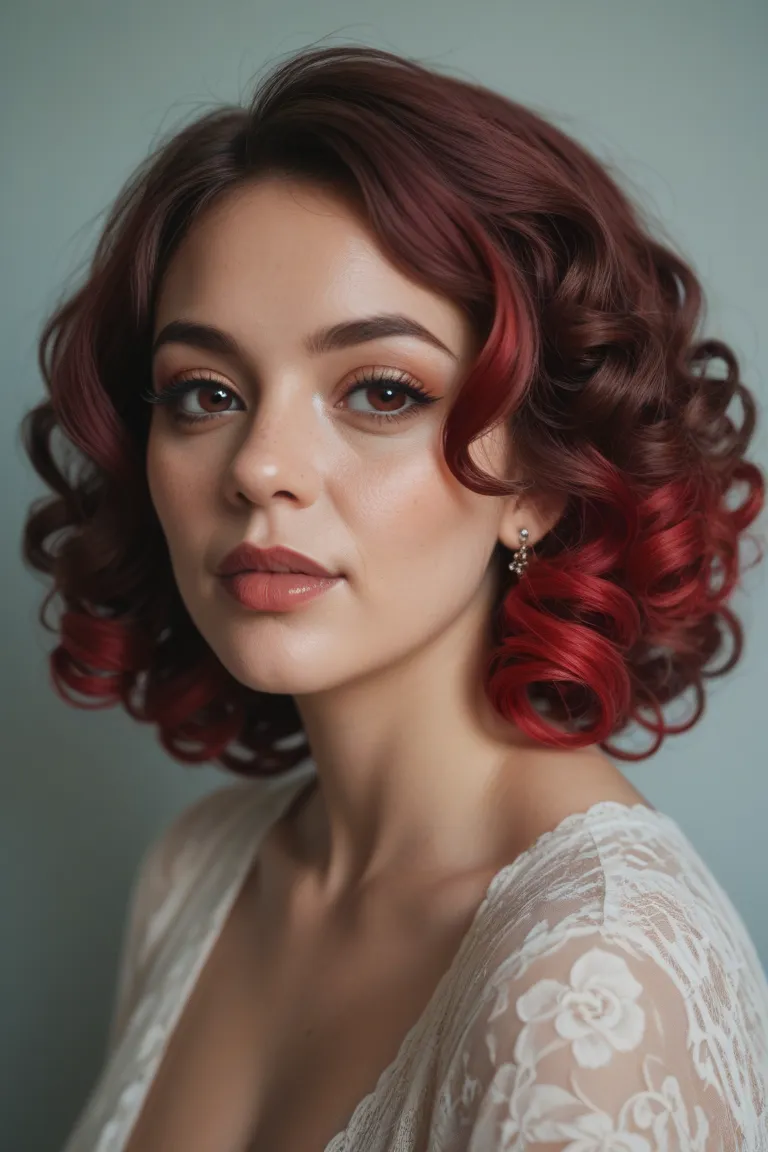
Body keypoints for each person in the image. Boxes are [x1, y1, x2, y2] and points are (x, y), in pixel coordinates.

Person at [20, 41, 768, 1152]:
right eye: (206, 392)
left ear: (538, 478)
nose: (260, 467)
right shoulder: (200, 871)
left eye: (380, 389)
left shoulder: (599, 981)